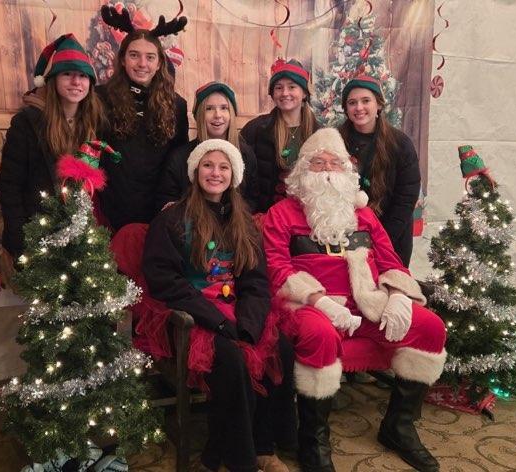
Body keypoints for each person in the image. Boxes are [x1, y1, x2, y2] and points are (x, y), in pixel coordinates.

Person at [261, 128, 447, 472]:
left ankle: (399, 427)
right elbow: (276, 267)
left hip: (366, 303)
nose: (327, 170)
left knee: (430, 328)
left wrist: (398, 296)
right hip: (308, 306)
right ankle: (313, 440)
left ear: (347, 171)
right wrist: (319, 300)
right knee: (319, 334)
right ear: (302, 172)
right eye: (318, 163)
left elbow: (391, 261)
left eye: (334, 163)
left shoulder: (365, 216)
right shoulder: (282, 213)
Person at [142, 140, 289, 472]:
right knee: (232, 358)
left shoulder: (244, 222)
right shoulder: (172, 219)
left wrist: (249, 325)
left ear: (233, 175)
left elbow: (255, 281)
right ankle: (241, 460)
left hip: (236, 309)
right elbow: (166, 281)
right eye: (208, 165)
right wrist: (218, 323)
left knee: (278, 348)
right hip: (193, 315)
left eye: (224, 167)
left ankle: (261, 446)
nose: (215, 173)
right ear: (195, 171)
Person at [0, 33, 104, 259]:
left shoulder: (95, 124)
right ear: (53, 79)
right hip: (37, 233)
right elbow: (10, 186)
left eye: (83, 76)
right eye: (67, 74)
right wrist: (21, 241)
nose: (76, 82)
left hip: (81, 236)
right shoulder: (27, 123)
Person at [96, 5, 189, 231]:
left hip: (156, 208)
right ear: (123, 59)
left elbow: (178, 159)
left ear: (159, 63)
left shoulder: (176, 105)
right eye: (134, 55)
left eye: (150, 57)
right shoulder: (101, 98)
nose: (142, 64)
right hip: (110, 206)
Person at [339, 75, 421, 264]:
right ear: (346, 109)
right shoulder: (336, 141)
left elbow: (406, 199)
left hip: (391, 238)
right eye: (352, 103)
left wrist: (381, 242)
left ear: (379, 104)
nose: (359, 107)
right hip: (345, 239)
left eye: (365, 101)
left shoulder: (400, 144)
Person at [154, 81, 258, 210]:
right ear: (199, 115)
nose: (217, 115)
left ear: (231, 114)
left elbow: (252, 200)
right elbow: (166, 200)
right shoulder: (179, 157)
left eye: (224, 108)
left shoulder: (245, 155)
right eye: (209, 109)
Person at [240, 58, 321, 213]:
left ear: (304, 93)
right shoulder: (255, 129)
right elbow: (242, 178)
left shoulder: (319, 133)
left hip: (306, 216)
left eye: (292, 87)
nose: (285, 93)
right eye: (279, 87)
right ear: (272, 93)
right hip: (266, 215)